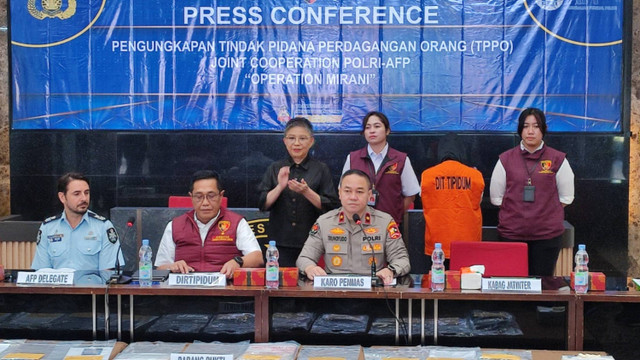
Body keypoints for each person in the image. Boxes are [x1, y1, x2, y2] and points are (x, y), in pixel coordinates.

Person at [490, 108, 575, 276]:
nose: (530, 131)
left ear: (543, 129)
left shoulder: (557, 159)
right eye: (526, 126)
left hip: (547, 237)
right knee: (513, 287)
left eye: (536, 126)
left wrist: (543, 212)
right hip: (512, 235)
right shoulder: (505, 159)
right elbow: (496, 198)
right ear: (520, 129)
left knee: (542, 287)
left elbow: (566, 197)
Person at [296, 169, 411, 285]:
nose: (353, 197)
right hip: (333, 294)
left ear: (369, 195)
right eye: (347, 191)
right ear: (340, 193)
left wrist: (390, 270)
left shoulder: (384, 222)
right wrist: (310, 267)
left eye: (360, 192)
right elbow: (304, 258)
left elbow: (402, 260)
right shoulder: (324, 222)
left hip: (373, 293)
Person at [258, 117, 339, 267]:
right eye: (292, 138)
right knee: (282, 285)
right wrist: (280, 187)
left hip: (313, 242)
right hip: (280, 242)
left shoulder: (320, 169)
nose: (296, 143)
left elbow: (330, 206)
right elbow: (263, 204)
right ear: (284, 141)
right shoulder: (275, 168)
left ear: (311, 141)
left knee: (310, 285)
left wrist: (307, 192)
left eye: (302, 138)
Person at [155, 170, 263, 277]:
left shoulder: (237, 222)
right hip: (185, 288)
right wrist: (172, 266)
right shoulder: (175, 225)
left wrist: (237, 262)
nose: (205, 203)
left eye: (211, 196)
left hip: (225, 288)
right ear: (191, 197)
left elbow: (257, 258)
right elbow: (160, 267)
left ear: (221, 196)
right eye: (199, 197)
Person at [31, 172, 124, 270]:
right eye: (77, 194)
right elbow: (42, 271)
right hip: (58, 285)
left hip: (92, 285)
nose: (84, 198)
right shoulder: (48, 228)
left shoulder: (104, 227)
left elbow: (108, 273)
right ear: (62, 197)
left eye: (86, 193)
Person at [342, 111, 420, 226]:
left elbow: (410, 195)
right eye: (368, 127)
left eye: (377, 126)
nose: (372, 131)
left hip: (390, 226)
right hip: (359, 225)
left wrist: (395, 215)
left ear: (387, 130)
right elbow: (343, 191)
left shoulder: (400, 159)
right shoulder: (353, 158)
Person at [421, 133, 485, 265]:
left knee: (438, 281)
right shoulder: (475, 175)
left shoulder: (427, 175)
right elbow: (479, 201)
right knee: (467, 282)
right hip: (468, 241)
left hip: (437, 244)